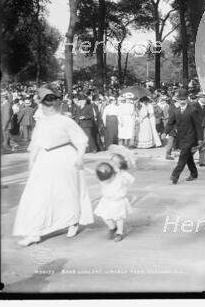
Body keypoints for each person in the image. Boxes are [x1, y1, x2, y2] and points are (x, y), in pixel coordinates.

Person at [13, 87, 93, 246]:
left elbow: (81, 140)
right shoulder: (41, 123)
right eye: (44, 105)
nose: (46, 108)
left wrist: (79, 157)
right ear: (42, 105)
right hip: (45, 159)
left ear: (56, 106)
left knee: (67, 192)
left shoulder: (66, 121)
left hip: (65, 158)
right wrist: (31, 161)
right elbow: (35, 143)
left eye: (50, 105)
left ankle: (73, 221)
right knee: (37, 195)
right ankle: (34, 232)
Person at [93, 149, 135, 242]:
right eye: (111, 162)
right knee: (104, 216)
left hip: (119, 201)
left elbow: (131, 180)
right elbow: (96, 174)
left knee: (119, 218)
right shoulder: (107, 173)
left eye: (115, 163)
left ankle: (119, 232)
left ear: (121, 165)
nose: (112, 165)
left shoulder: (123, 175)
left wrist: (122, 176)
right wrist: (83, 168)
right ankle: (112, 227)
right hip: (107, 200)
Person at [165, 89, 205, 184]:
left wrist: (200, 139)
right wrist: (165, 132)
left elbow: (198, 125)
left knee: (183, 156)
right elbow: (170, 122)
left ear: (187, 99)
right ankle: (194, 173)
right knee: (188, 157)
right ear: (178, 100)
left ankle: (175, 175)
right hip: (181, 137)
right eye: (180, 99)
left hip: (191, 137)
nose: (182, 101)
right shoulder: (176, 110)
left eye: (184, 99)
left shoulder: (192, 110)